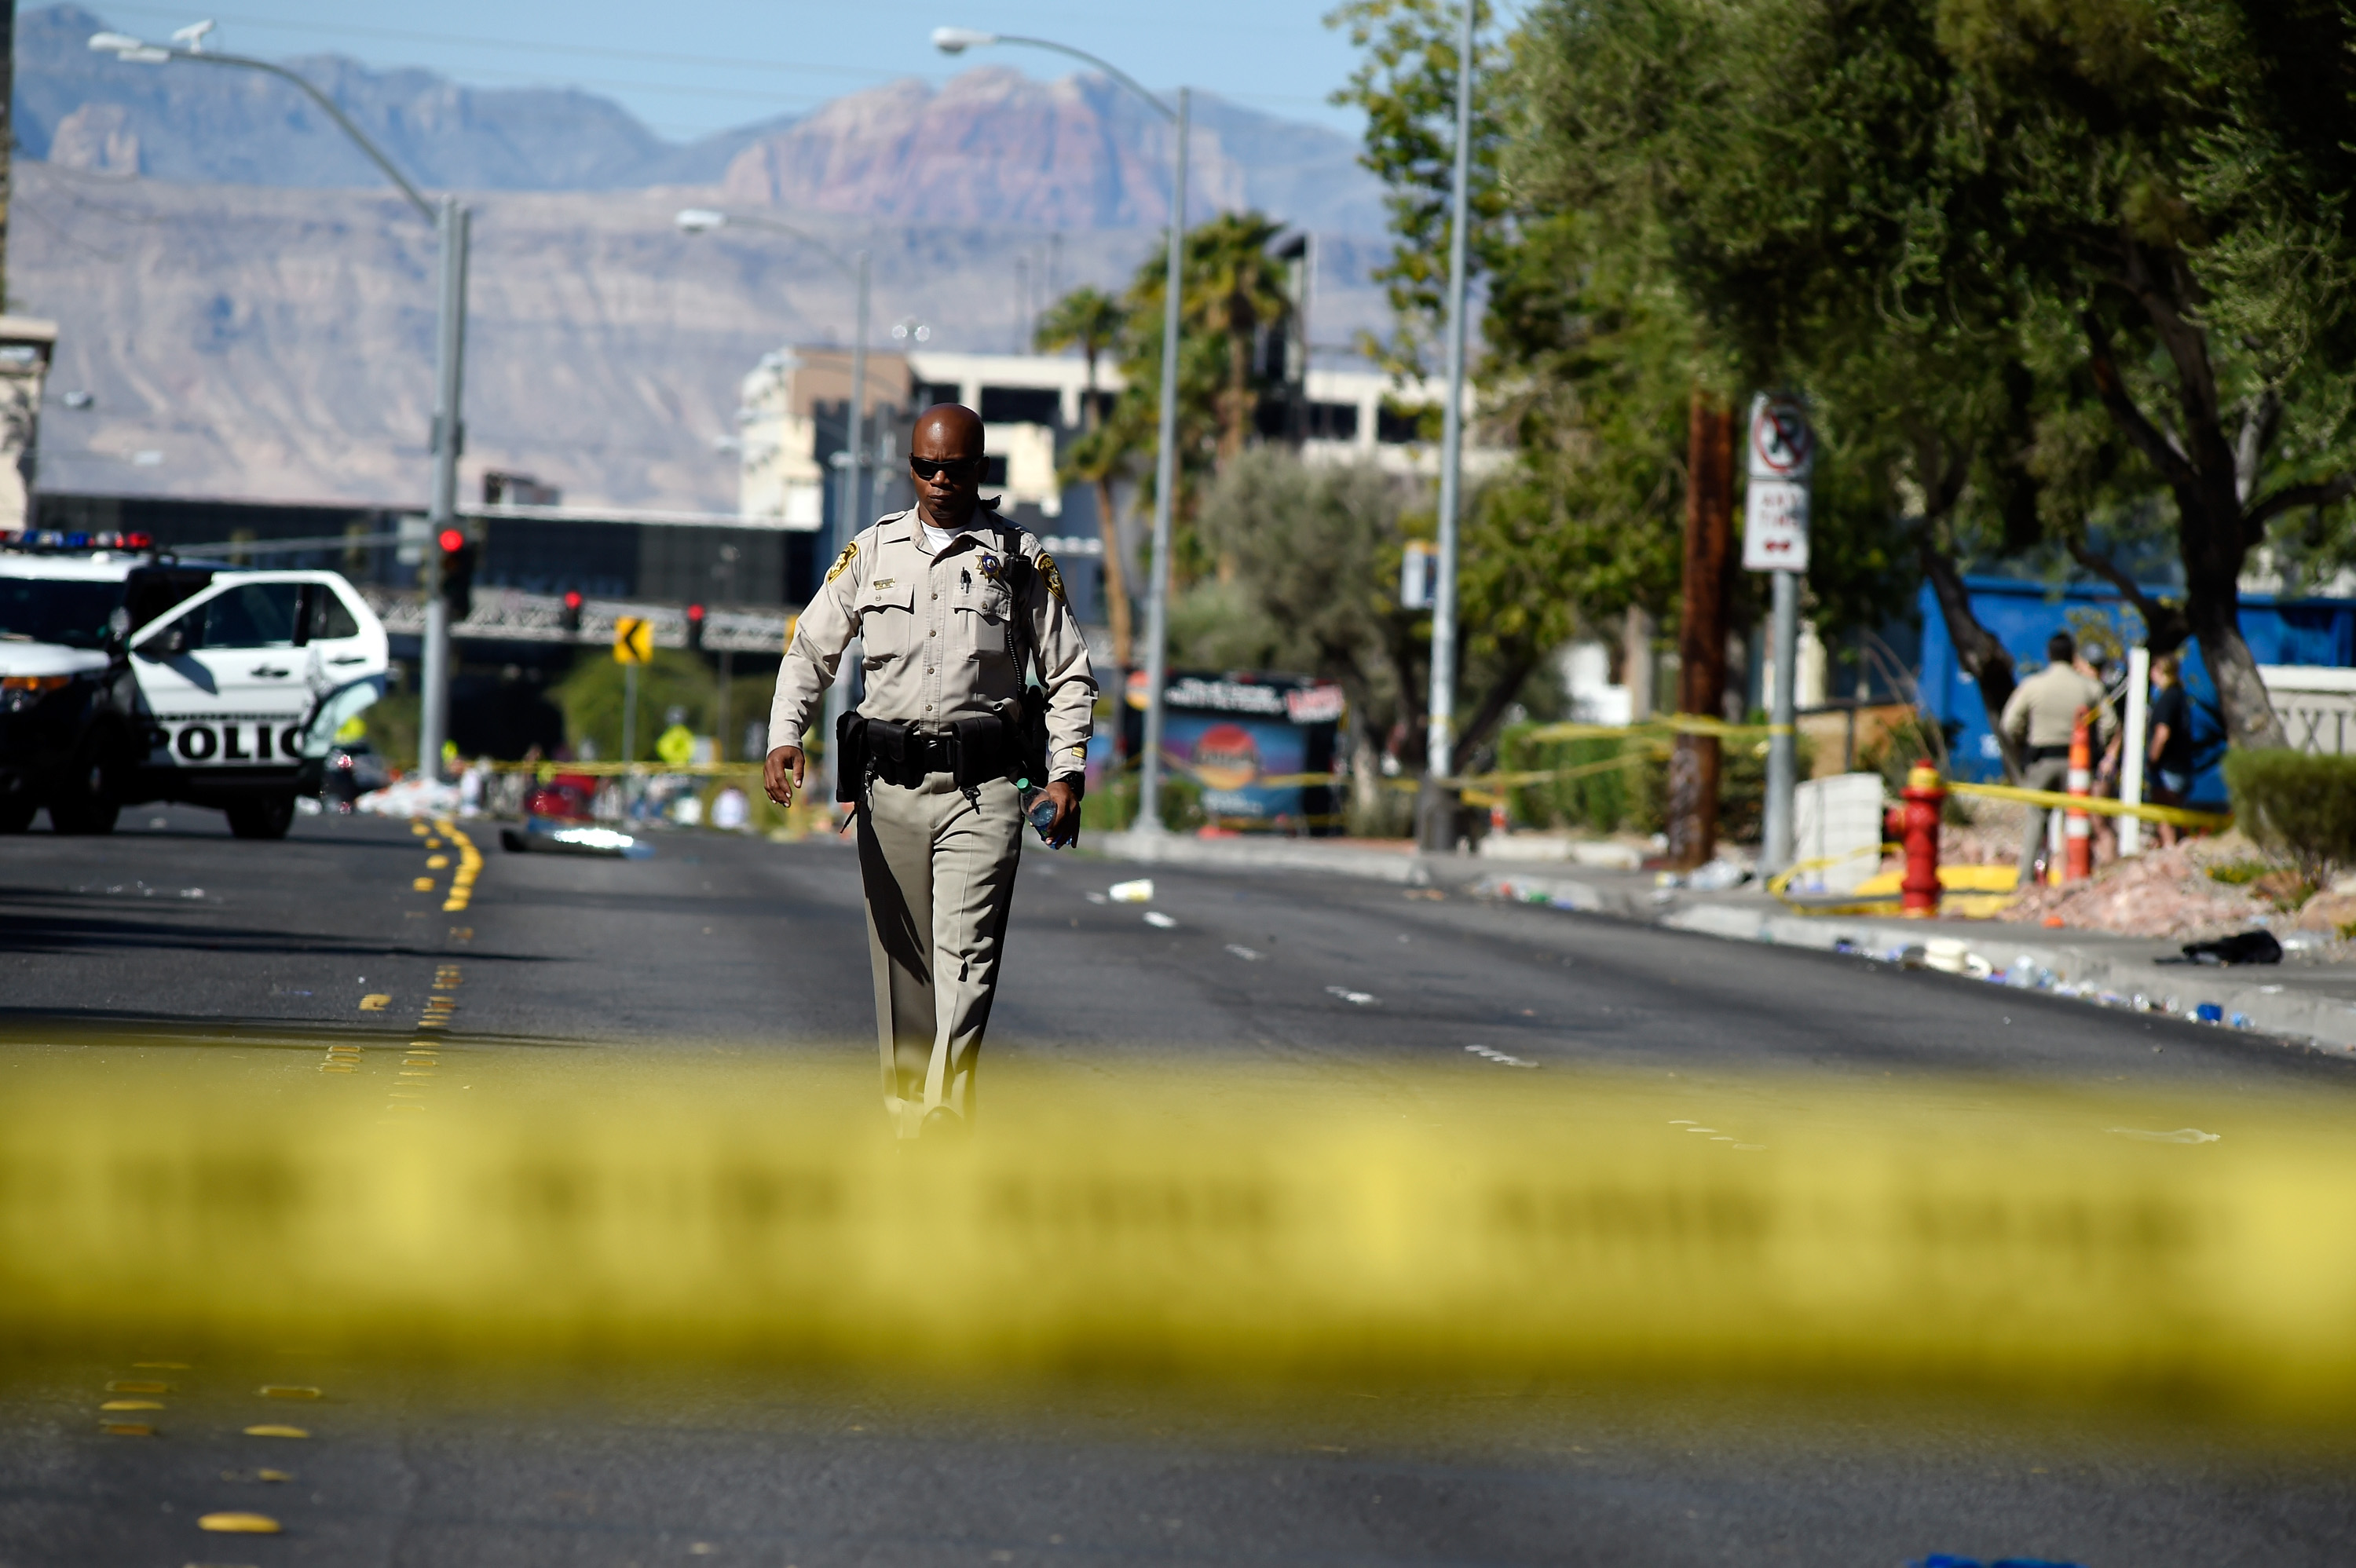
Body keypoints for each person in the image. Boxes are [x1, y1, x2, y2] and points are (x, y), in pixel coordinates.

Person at [763, 404, 1095, 1138]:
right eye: (926, 466)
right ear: (910, 466)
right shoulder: (873, 552)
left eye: (955, 467)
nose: (940, 480)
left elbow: (1069, 672)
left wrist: (1065, 772)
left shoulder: (1016, 557)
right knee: (903, 966)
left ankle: (945, 1110)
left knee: (967, 952)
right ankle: (908, 1115)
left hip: (984, 793)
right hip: (890, 791)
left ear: (982, 470)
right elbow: (811, 651)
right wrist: (785, 734)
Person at [1999, 631, 2115, 886]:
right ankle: (2075, 877)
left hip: (2041, 760)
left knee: (2036, 820)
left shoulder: (2034, 685)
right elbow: (2110, 723)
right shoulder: (2089, 687)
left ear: (2048, 654)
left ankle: (2027, 880)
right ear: (2073, 655)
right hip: (2078, 764)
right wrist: (2095, 748)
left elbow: (2009, 723)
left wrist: (2023, 743)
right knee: (2076, 821)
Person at [2146, 653, 2195, 849]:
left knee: (2164, 814)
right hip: (2182, 766)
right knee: (2174, 815)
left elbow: (2163, 733)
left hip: (2169, 769)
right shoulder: (2181, 696)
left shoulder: (2167, 698)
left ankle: (2169, 851)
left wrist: (2152, 759)